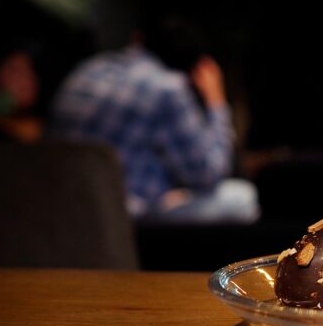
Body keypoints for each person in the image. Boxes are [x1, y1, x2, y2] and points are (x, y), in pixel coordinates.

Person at [50, 16, 259, 222]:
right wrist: (217, 103)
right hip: (127, 223)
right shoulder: (167, 88)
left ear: (138, 39)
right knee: (243, 198)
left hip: (64, 209)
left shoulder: (87, 70)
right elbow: (207, 173)